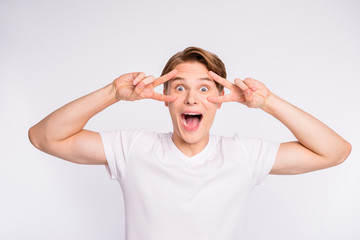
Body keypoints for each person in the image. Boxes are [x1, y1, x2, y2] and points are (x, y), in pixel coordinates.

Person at [28, 46, 351, 239]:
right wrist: (112, 94)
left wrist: (268, 102)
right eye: (179, 88)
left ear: (221, 99)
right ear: (165, 99)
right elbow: (44, 137)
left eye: (205, 89)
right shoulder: (133, 149)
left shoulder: (242, 155)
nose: (192, 98)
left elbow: (335, 151)